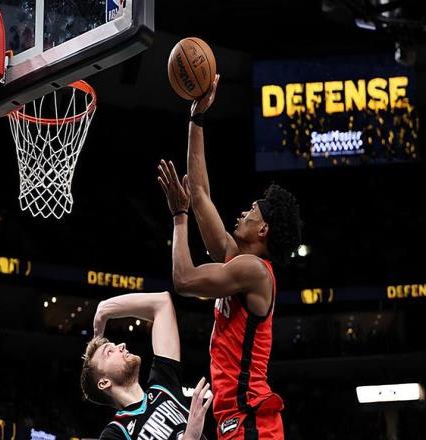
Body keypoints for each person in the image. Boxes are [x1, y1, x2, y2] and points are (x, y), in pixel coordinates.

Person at [157, 75, 303, 440]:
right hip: (236, 418)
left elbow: (184, 280)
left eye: (251, 211)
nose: (243, 214)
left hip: (251, 419)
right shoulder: (237, 261)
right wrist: (197, 118)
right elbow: (200, 192)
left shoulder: (254, 271)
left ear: (263, 230)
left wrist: (179, 217)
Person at [80, 291, 213, 440]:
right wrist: (190, 437)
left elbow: (162, 303)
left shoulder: (162, 385)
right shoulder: (115, 433)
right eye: (109, 352)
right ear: (104, 382)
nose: (122, 345)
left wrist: (105, 309)